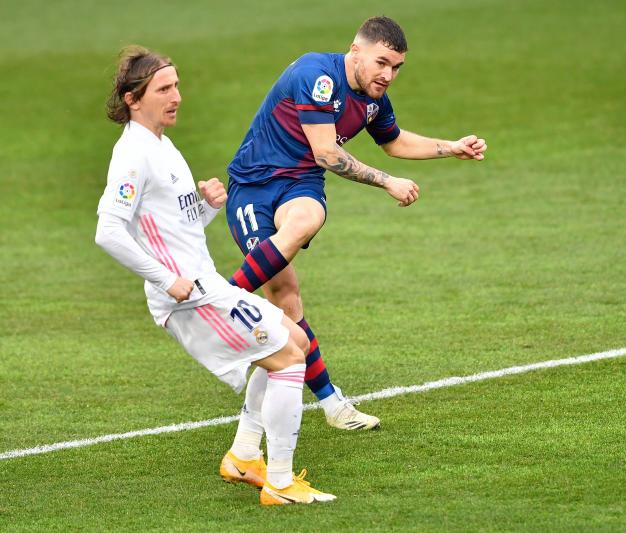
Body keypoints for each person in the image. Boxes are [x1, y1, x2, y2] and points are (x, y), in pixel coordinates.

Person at [222, 15, 487, 460]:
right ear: (356, 50)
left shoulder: (372, 99)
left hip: (299, 185)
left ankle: (231, 307)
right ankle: (224, 304)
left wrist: (450, 146)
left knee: (306, 220)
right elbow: (327, 152)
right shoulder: (316, 75)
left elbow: (395, 141)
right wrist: (387, 182)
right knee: (286, 307)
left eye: (397, 67)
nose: (388, 74)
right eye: (382, 62)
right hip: (253, 187)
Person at [95, 45, 334, 505]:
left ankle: (244, 457)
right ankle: (280, 484)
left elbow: (170, 229)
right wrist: (166, 281)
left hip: (204, 283)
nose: (177, 96)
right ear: (132, 98)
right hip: (189, 296)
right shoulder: (133, 155)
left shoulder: (162, 144)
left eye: (177, 85)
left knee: (294, 341)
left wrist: (204, 205)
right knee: (288, 359)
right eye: (164, 89)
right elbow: (108, 231)